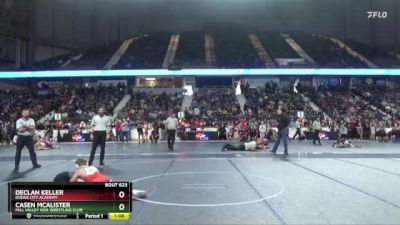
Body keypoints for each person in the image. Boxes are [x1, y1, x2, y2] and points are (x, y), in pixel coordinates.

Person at [53, 158, 146, 199]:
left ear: (77, 166)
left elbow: (71, 182)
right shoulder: (94, 167)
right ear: (87, 164)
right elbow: (100, 172)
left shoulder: (78, 172)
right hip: (106, 180)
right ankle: (132, 192)